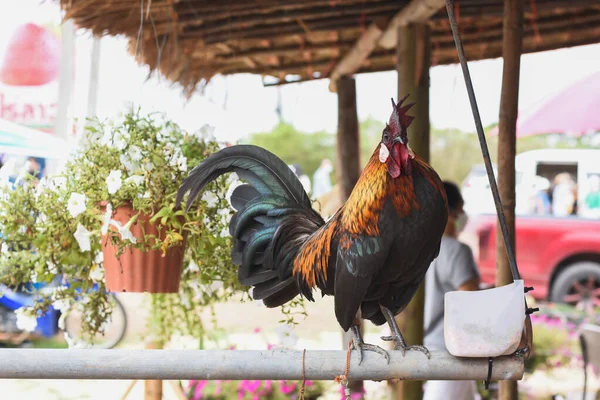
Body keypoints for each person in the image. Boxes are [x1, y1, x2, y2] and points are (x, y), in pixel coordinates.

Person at [423, 181, 481, 400]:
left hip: (414, 351)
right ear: (448, 210)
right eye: (460, 208)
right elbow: (470, 303)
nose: (463, 215)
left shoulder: (412, 250)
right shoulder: (456, 251)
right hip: (450, 354)